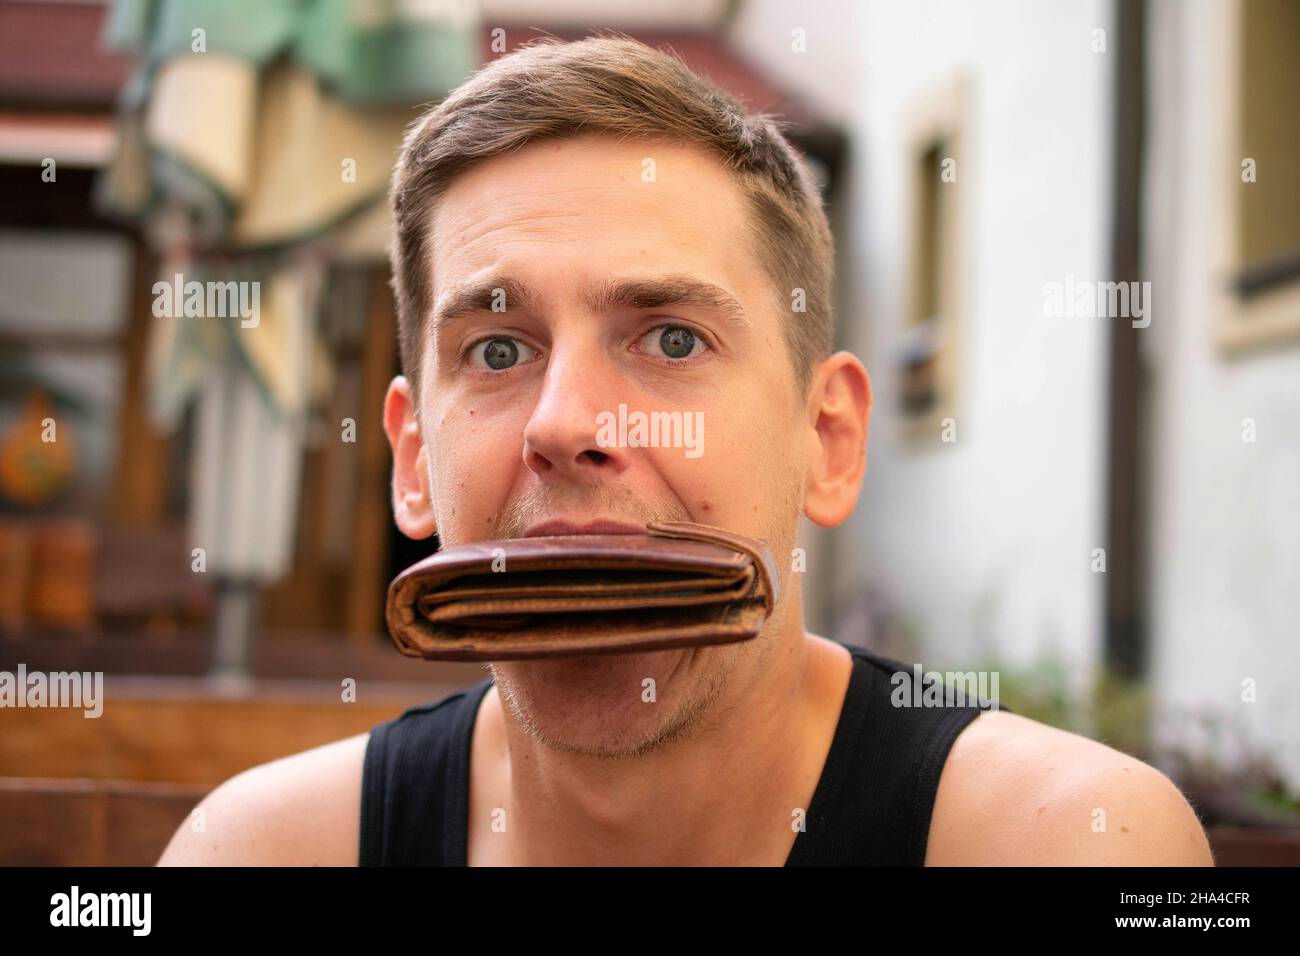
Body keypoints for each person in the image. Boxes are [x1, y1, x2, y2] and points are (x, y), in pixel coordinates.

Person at [159, 36, 1213, 866]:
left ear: (828, 441)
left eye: (671, 337)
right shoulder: (259, 852)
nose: (565, 423)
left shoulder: (1062, 841)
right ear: (412, 459)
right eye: (494, 347)